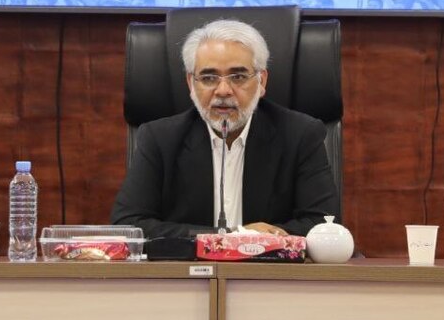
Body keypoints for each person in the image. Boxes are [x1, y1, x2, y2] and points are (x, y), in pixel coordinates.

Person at [112, 19, 339, 239]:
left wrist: (261, 243)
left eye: (238, 77)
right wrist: (233, 237)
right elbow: (128, 224)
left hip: (266, 265)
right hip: (188, 266)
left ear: (261, 81)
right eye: (209, 78)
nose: (223, 90)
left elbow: (324, 224)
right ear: (191, 83)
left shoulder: (300, 135)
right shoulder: (160, 139)